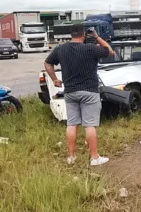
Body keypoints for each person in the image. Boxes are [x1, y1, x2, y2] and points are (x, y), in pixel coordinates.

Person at [43, 24, 114, 166]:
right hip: (89, 91)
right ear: (83, 34)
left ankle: (71, 157)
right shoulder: (90, 48)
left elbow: (47, 63)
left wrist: (54, 79)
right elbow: (109, 51)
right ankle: (94, 158)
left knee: (72, 124)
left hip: (70, 92)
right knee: (89, 125)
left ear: (71, 35)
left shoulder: (61, 49)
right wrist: (96, 36)